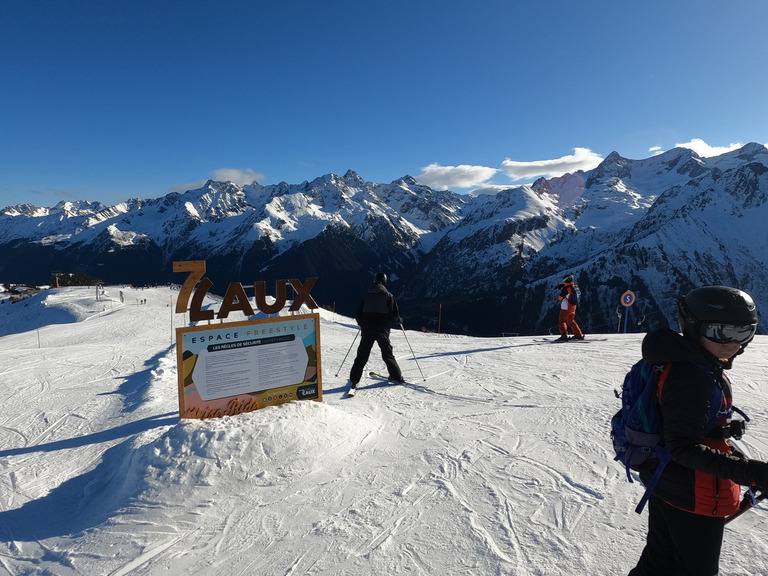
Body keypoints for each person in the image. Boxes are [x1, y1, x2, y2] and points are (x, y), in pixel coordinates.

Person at [628, 285, 768, 576]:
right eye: (721, 331)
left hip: (668, 482)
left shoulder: (691, 361)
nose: (734, 343)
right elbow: (683, 447)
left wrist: (720, 429)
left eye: (744, 333)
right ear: (693, 327)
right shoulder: (691, 375)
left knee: (658, 562)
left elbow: (679, 422)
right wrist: (752, 473)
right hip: (695, 493)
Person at [348, 272, 404, 389]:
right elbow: (394, 316)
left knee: (362, 355)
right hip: (382, 330)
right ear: (384, 281)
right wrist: (399, 320)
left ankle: (354, 379)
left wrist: (362, 324)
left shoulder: (366, 295)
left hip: (367, 330)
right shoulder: (388, 296)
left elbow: (359, 314)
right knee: (387, 354)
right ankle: (396, 376)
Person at [556, 274, 584, 341]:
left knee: (561, 321)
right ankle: (578, 334)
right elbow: (569, 289)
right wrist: (563, 286)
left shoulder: (566, 288)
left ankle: (564, 335)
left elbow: (560, 298)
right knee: (571, 321)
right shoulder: (574, 286)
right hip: (573, 306)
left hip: (566, 307)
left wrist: (563, 290)